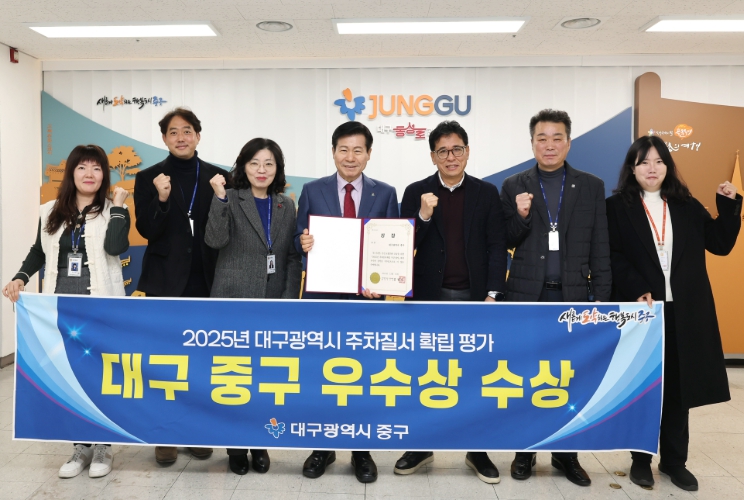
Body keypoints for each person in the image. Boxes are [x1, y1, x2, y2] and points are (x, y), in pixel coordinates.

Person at [607, 135, 741, 492]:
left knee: (680, 390)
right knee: (644, 387)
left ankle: (674, 462)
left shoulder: (685, 204)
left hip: (686, 311)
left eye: (659, 161)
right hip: (644, 311)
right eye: (643, 162)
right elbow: (612, 256)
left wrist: (729, 205)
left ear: (667, 166)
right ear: (632, 168)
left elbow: (720, 243)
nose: (652, 168)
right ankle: (640, 460)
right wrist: (636, 286)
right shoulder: (616, 207)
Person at [2, 144, 129, 479]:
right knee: (71, 376)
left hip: (101, 305)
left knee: (99, 375)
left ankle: (103, 446)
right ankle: (80, 446)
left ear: (104, 175)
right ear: (72, 172)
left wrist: (118, 206)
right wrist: (20, 277)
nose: (90, 174)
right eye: (82, 167)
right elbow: (38, 251)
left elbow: (116, 247)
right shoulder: (49, 211)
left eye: (97, 168)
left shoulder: (114, 209)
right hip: (62, 307)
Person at [500, 109, 611, 487]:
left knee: (571, 378)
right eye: (542, 138)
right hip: (526, 298)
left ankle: (567, 454)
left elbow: (600, 244)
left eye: (557, 137)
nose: (549, 145)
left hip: (573, 298)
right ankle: (525, 451)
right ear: (532, 143)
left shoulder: (591, 185)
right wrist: (521, 215)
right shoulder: (513, 185)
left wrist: (603, 298)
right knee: (527, 376)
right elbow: (505, 239)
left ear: (569, 141)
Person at [395, 120, 507, 484]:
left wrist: (493, 293)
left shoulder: (486, 192)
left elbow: (496, 246)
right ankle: (421, 444)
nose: (450, 156)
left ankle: (477, 449)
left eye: (457, 149)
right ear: (433, 157)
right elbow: (402, 246)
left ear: (467, 152)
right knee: (426, 372)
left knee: (474, 375)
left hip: (475, 299)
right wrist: (423, 216)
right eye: (442, 151)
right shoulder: (416, 192)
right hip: (429, 299)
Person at [294, 120, 399, 483]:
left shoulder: (386, 193)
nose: (350, 157)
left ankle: (361, 451)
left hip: (366, 303)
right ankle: (322, 447)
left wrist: (381, 282)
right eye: (344, 149)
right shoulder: (312, 190)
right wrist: (303, 242)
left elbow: (391, 247)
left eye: (358, 150)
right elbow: (297, 239)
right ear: (333, 152)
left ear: (368, 154)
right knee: (323, 374)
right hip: (322, 300)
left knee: (363, 376)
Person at [205, 138, 302, 475]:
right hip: (232, 301)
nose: (262, 170)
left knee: (263, 379)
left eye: (269, 164)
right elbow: (215, 240)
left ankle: (259, 443)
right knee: (234, 376)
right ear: (243, 166)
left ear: (278, 169)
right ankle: (235, 445)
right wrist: (219, 199)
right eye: (255, 163)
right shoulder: (230, 198)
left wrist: (288, 300)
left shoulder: (286, 205)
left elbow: (291, 257)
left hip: (272, 304)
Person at [133, 107, 222, 464]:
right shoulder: (148, 177)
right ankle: (165, 433)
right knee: (165, 361)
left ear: (198, 135)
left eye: (187, 131)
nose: (181, 137)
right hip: (164, 282)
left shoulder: (219, 177)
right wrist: (162, 199)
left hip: (207, 280)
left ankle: (197, 430)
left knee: (201, 363)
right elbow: (147, 231)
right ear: (164, 138)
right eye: (173, 132)